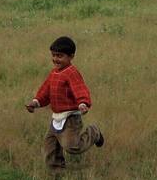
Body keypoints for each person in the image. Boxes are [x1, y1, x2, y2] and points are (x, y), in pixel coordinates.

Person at [26, 36, 104, 171]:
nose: (55, 59)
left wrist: (83, 103)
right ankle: (57, 173)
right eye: (53, 55)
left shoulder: (71, 73)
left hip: (70, 118)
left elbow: (80, 89)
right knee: (50, 147)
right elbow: (45, 91)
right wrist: (36, 102)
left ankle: (94, 132)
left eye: (60, 56)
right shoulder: (54, 73)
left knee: (72, 146)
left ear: (71, 56)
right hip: (56, 118)